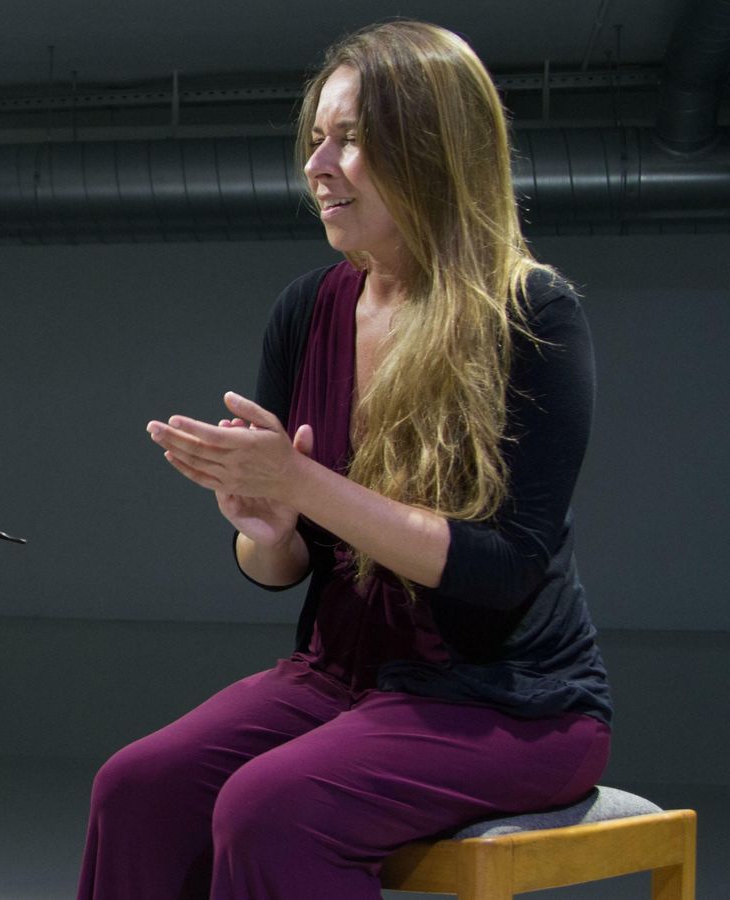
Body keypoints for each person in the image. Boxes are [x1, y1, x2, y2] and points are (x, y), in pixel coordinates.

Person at [77, 21, 611, 900]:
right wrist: (268, 528)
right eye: (316, 139)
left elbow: (505, 570)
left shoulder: (534, 315)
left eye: (351, 139)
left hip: (511, 702)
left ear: (436, 149)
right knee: (134, 789)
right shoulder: (307, 309)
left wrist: (304, 486)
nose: (317, 165)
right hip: (342, 677)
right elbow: (280, 568)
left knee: (268, 809)